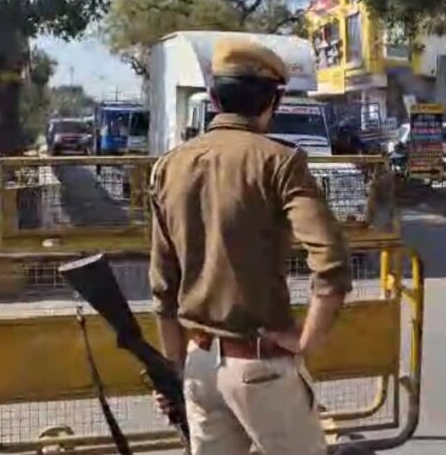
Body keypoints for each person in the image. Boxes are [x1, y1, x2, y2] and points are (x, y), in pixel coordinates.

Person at [148, 38, 352, 455]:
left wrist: (176, 367)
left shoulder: (169, 167)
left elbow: (163, 289)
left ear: (213, 98)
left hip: (198, 366)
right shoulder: (279, 161)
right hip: (259, 367)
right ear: (272, 101)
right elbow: (331, 264)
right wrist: (306, 344)